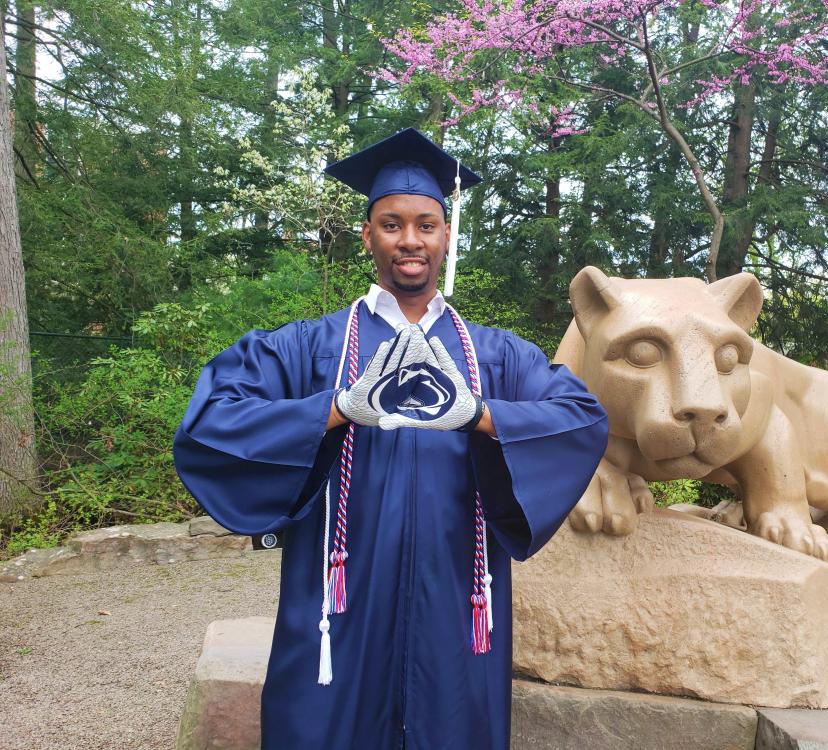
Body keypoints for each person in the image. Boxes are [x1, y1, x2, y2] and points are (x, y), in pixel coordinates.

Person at [172, 128, 608, 749]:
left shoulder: (497, 355)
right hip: (337, 607)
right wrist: (335, 409)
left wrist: (481, 415)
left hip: (457, 604)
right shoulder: (310, 345)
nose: (410, 240)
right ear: (367, 235)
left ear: (446, 235)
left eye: (426, 224)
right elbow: (211, 418)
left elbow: (580, 415)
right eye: (392, 223)